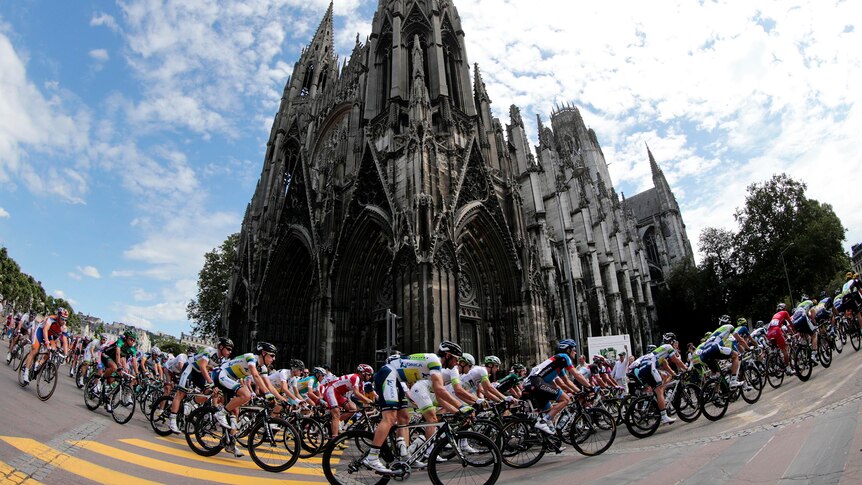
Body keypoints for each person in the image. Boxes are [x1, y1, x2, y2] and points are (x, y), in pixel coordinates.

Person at [362, 342, 469, 474]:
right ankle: (372, 457)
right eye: (456, 359)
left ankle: (405, 456)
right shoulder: (435, 361)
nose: (457, 363)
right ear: (447, 356)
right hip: (388, 374)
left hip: (395, 379)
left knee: (404, 418)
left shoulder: (437, 368)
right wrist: (462, 406)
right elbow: (441, 391)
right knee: (390, 417)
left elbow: (440, 397)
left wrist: (457, 411)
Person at [214, 341, 280, 457]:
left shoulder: (263, 368)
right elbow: (255, 376)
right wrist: (267, 394)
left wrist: (278, 399)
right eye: (272, 355)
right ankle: (221, 413)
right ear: (263, 353)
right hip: (221, 374)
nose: (273, 359)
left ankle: (230, 442)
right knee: (246, 395)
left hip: (232, 379)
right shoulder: (251, 358)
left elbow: (269, 385)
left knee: (236, 411)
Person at [524, 339, 590, 434]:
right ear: (568, 350)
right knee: (565, 399)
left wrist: (578, 391)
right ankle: (542, 422)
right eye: (574, 349)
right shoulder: (563, 357)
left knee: (550, 412)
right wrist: (590, 386)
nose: (575, 352)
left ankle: (550, 444)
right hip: (536, 382)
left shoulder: (558, 364)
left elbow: (566, 382)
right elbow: (576, 374)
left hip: (531, 384)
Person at [168, 337, 233, 434]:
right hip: (190, 368)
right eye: (228, 349)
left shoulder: (222, 359)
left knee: (209, 392)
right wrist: (211, 382)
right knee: (180, 393)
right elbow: (203, 366)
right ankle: (172, 420)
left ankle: (190, 403)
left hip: (199, 373)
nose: (230, 351)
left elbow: (217, 373)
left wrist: (217, 386)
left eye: (231, 349)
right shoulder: (209, 351)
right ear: (221, 347)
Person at [632, 333, 686, 424]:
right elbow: (676, 360)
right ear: (672, 341)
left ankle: (654, 408)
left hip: (642, 368)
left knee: (654, 390)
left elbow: (665, 366)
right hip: (649, 366)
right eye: (674, 341)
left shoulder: (660, 350)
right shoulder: (668, 347)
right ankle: (664, 416)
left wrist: (674, 374)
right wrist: (686, 368)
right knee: (660, 389)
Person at [696, 315, 749, 388]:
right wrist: (748, 348)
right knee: (736, 355)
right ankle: (733, 380)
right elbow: (740, 340)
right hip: (714, 348)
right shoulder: (730, 327)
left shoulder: (716, 331)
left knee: (718, 376)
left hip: (703, 354)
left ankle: (717, 393)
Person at [21, 307, 69, 385]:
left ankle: (39, 363)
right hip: (41, 331)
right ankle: (26, 372)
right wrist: (46, 343)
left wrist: (66, 354)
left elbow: (65, 340)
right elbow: (45, 330)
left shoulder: (64, 327)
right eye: (62, 319)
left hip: (50, 335)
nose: (64, 321)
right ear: (58, 316)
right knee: (35, 350)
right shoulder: (51, 319)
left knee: (52, 350)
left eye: (65, 319)